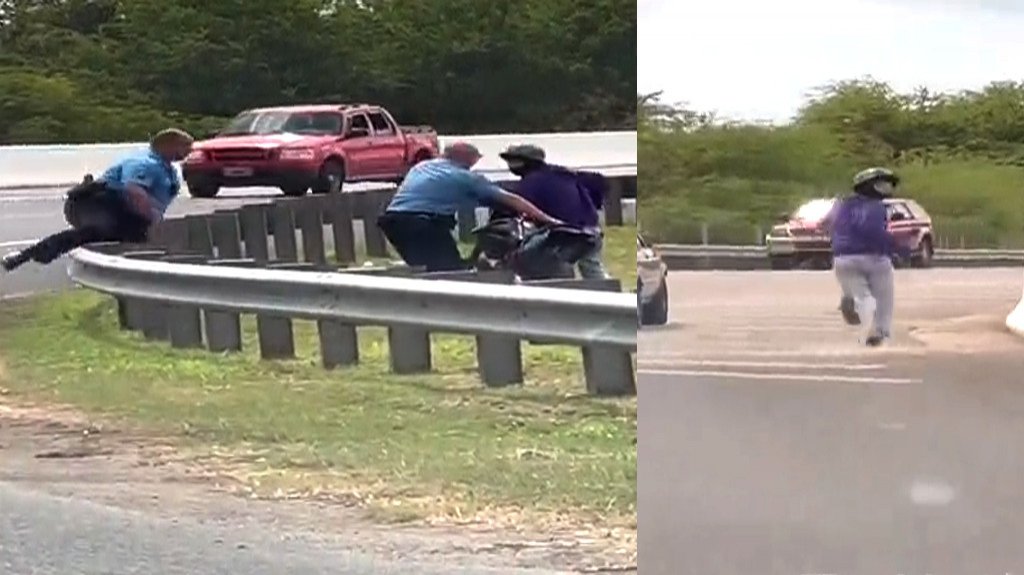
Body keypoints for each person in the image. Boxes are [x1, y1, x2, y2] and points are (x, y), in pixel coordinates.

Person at [1, 128, 194, 272]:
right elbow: (135, 191)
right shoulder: (146, 163)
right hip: (94, 201)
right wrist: (153, 219)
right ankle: (25, 255)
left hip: (122, 209)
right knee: (98, 231)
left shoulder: (167, 168)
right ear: (169, 145)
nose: (188, 152)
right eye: (184, 147)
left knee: (135, 239)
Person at [377, 141, 562, 272]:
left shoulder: (422, 167)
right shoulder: (466, 178)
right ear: (468, 159)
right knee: (449, 271)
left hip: (392, 221)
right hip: (421, 223)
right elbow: (511, 200)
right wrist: (549, 220)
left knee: (426, 267)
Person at [498, 144, 610, 279]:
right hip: (591, 229)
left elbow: (515, 207)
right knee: (593, 268)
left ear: (529, 162)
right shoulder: (565, 174)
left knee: (540, 263)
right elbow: (599, 182)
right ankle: (610, 295)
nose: (511, 165)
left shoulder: (532, 182)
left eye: (516, 161)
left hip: (562, 234)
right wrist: (593, 204)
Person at [827, 167, 911, 347]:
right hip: (875, 257)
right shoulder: (876, 208)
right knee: (884, 297)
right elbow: (872, 232)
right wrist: (898, 247)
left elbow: (828, 224)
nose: (887, 188)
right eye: (883, 184)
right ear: (870, 186)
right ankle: (880, 331)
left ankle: (852, 301)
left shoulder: (841, 204)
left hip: (843, 258)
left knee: (862, 297)